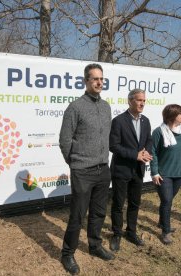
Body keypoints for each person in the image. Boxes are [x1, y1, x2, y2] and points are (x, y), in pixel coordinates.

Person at [59, 63, 114, 275]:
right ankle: (67, 254)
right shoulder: (75, 107)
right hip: (82, 170)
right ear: (86, 81)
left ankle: (95, 245)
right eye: (95, 79)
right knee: (77, 215)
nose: (99, 82)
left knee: (99, 212)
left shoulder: (106, 106)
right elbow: (65, 139)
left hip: (103, 169)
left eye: (102, 79)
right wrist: (74, 162)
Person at [109, 88, 153, 252]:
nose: (142, 103)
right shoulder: (119, 121)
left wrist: (146, 152)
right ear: (130, 101)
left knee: (135, 203)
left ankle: (131, 232)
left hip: (138, 170)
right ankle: (117, 234)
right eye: (139, 100)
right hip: (121, 169)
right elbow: (113, 146)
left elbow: (148, 140)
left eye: (144, 100)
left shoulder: (146, 121)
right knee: (118, 204)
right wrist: (135, 155)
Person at [150, 104, 181, 244]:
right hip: (164, 174)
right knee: (167, 201)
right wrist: (154, 172)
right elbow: (152, 153)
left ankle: (162, 222)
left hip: (179, 174)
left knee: (168, 200)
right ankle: (166, 231)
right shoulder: (159, 132)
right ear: (173, 116)